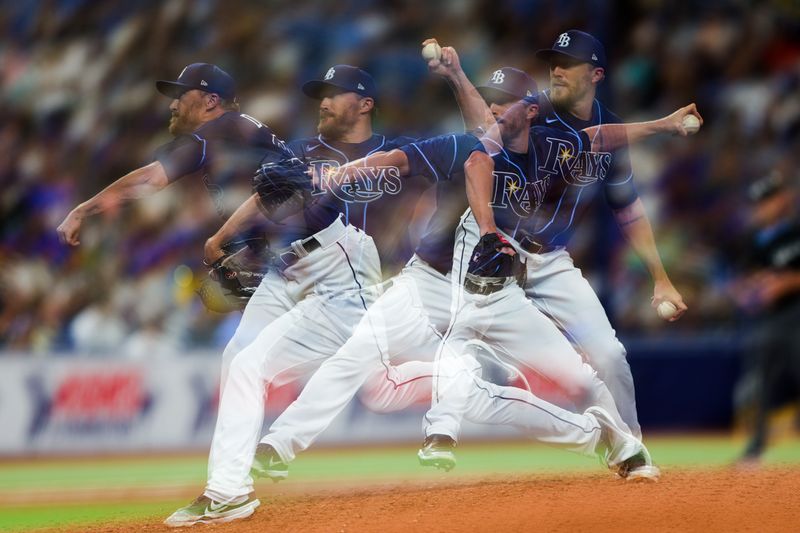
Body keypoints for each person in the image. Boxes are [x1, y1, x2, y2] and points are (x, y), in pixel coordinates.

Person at [251, 45, 699, 486]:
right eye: (491, 100)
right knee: (356, 354)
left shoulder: (550, 148)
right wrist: (334, 174)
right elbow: (394, 160)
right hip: (427, 283)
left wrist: (662, 125)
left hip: (495, 291)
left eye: (505, 101)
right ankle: (279, 445)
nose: (496, 108)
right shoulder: (463, 146)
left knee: (578, 380)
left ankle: (621, 445)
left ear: (530, 112)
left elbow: (600, 137)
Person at [165, 65, 431, 528]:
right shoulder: (303, 151)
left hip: (356, 274)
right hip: (293, 269)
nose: (323, 102)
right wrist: (229, 241)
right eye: (320, 95)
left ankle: (457, 370)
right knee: (241, 360)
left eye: (335, 93)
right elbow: (272, 206)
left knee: (380, 386)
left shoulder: (397, 152)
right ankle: (228, 489)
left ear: (365, 103)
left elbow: (439, 195)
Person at [526, 30, 688, 438]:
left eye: (568, 62)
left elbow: (627, 207)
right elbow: (580, 142)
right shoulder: (529, 114)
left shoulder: (613, 127)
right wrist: (660, 125)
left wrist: (661, 278)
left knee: (610, 355)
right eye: (553, 62)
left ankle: (632, 449)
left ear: (596, 73)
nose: (557, 69)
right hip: (488, 260)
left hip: (549, 259)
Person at [731, 171, 800, 463]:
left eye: (768, 201)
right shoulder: (754, 242)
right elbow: (741, 285)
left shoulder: (796, 233)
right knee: (763, 380)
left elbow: (785, 279)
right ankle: (756, 447)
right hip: (772, 318)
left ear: (783, 199)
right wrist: (750, 292)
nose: (763, 208)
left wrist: (784, 283)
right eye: (759, 203)